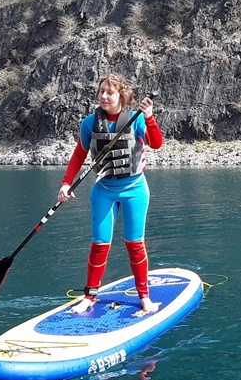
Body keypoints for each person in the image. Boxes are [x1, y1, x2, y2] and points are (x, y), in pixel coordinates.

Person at [58, 73, 163, 314]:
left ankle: (144, 296)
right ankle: (90, 297)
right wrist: (66, 183)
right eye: (101, 91)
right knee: (99, 244)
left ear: (122, 96)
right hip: (103, 189)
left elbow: (156, 143)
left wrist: (149, 118)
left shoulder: (136, 120)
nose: (104, 96)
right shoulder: (89, 124)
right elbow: (78, 155)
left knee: (135, 244)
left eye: (110, 92)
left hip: (135, 188)